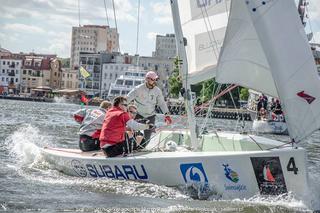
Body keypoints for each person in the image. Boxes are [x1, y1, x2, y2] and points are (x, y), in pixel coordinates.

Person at [127, 71, 172, 147]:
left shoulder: (157, 91)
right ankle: (132, 146)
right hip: (138, 114)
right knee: (133, 131)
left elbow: (161, 103)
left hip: (150, 116)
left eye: (155, 80)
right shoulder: (138, 89)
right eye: (152, 79)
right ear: (147, 79)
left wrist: (167, 115)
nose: (154, 81)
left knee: (147, 137)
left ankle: (141, 148)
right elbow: (127, 98)